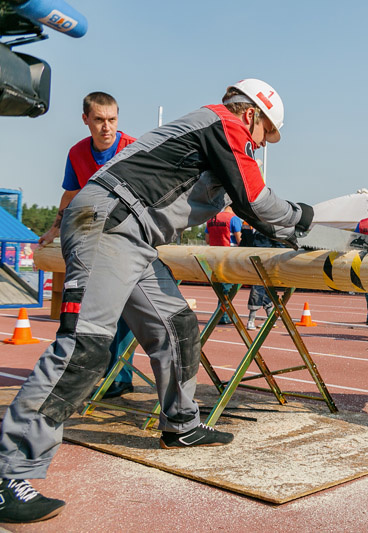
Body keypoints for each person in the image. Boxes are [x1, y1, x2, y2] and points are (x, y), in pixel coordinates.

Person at [0, 78, 313, 524]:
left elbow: (246, 207)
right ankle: (7, 470)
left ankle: (181, 425)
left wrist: (290, 230)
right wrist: (303, 216)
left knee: (178, 327)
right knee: (83, 349)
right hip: (111, 225)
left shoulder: (212, 136)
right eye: (264, 136)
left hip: (131, 234)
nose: (260, 146)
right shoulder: (223, 123)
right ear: (251, 115)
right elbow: (255, 198)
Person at [39, 91, 138, 399]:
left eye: (112, 120)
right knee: (95, 308)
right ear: (86, 120)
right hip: (95, 238)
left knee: (125, 311)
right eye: (98, 120)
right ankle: (99, 371)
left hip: (130, 237)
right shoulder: (77, 153)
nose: (106, 127)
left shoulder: (132, 149)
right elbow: (70, 196)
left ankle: (120, 376)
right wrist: (53, 231)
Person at [239, 221, 283, 330]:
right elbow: (244, 241)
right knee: (263, 289)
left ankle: (252, 319)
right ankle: (269, 318)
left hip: (266, 260)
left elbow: (278, 243)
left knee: (259, 288)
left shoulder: (270, 223)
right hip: (252, 259)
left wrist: (280, 259)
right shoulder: (246, 222)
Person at [205, 206, 243, 324]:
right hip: (229, 255)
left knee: (220, 287)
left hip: (215, 255)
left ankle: (222, 314)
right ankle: (223, 316)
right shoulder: (234, 219)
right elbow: (239, 240)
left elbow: (207, 240)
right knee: (228, 288)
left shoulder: (211, 218)